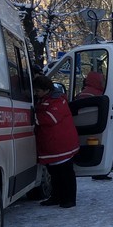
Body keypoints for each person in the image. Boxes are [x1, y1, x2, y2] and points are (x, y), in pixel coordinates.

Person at [33, 75, 80, 208]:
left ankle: (69, 199)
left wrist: (34, 117)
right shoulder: (46, 99)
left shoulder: (58, 100)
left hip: (62, 144)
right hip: (54, 144)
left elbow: (51, 118)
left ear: (46, 89)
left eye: (37, 91)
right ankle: (57, 196)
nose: (36, 94)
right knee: (55, 172)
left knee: (65, 173)